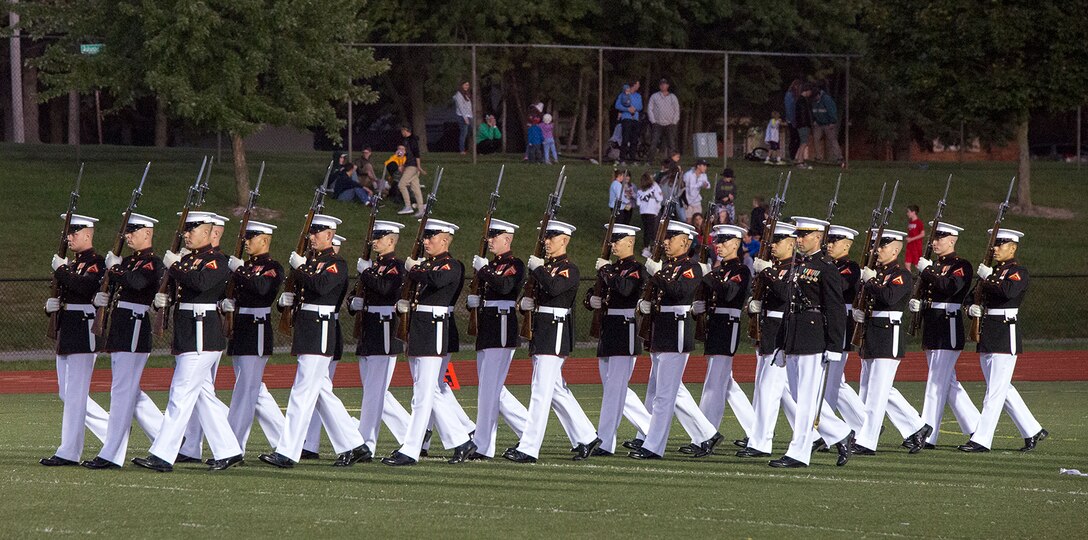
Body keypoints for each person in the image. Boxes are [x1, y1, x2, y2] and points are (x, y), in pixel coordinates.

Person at [133, 212, 243, 472]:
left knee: (180, 395)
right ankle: (229, 449)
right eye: (186, 229)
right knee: (204, 397)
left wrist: (175, 266)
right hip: (188, 334)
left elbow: (200, 282)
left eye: (192, 229)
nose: (187, 234)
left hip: (202, 335)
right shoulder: (188, 259)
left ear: (207, 232)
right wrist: (160, 299)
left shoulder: (216, 260)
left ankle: (162, 454)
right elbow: (180, 289)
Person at [258, 214, 369, 469]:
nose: (312, 237)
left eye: (316, 233)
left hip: (319, 330)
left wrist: (301, 267)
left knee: (302, 392)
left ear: (329, 235)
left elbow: (320, 286)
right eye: (310, 233)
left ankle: (287, 452)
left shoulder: (335, 263)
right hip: (308, 328)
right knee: (319, 391)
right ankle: (354, 445)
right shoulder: (313, 262)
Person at [382, 219, 477, 466]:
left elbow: (434, 281)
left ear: (444, 240)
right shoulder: (427, 266)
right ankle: (460, 439)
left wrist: (413, 269)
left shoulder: (451, 266)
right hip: (419, 329)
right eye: (424, 237)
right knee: (424, 392)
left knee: (425, 393)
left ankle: (413, 449)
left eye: (430, 237)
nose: (425, 242)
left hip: (433, 330)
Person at [505, 220, 601, 463]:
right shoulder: (545, 267)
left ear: (565, 240)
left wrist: (538, 270)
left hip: (555, 334)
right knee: (556, 390)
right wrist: (522, 304)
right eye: (545, 237)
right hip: (542, 331)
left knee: (540, 391)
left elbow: (555, 287)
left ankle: (529, 447)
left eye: (552, 237)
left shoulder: (568, 269)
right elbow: (534, 293)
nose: (547, 241)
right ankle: (587, 436)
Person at [628, 221, 722, 460]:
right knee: (667, 390)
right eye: (665, 238)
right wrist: (643, 304)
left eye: (672, 238)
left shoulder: (692, 268)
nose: (666, 242)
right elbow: (657, 293)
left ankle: (654, 445)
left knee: (664, 395)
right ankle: (707, 434)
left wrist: (657, 273)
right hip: (660, 331)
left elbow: (679, 291)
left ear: (686, 242)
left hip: (676, 332)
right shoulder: (667, 267)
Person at [81, 213, 166, 469]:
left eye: (133, 231)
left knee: (121, 392)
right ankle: (169, 438)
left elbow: (136, 282)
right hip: (121, 329)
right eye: (127, 232)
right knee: (130, 393)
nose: (128, 236)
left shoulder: (152, 263)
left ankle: (112, 454)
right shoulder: (128, 261)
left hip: (134, 329)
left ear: (147, 233)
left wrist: (114, 268)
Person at [767, 217, 853, 468]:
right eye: (798, 235)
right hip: (795, 335)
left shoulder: (826, 268)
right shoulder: (798, 265)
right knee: (799, 395)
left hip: (814, 338)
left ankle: (798, 452)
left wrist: (835, 346)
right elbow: (790, 307)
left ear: (818, 237)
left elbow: (835, 309)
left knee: (805, 399)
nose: (799, 239)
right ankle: (840, 433)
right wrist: (782, 343)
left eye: (804, 235)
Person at [959, 229, 1047, 452]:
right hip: (987, 333)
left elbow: (1007, 292)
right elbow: (969, 299)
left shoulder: (1018, 272)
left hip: (1004, 335)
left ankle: (982, 439)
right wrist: (972, 309)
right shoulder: (990, 272)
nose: (995, 248)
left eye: (1000, 244)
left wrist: (988, 277)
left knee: (995, 392)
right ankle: (1033, 430)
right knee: (1001, 388)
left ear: (1013, 247)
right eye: (994, 245)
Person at [850, 229, 930, 455]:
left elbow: (889, 297)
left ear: (895, 250)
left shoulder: (901, 275)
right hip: (870, 333)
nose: (877, 251)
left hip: (887, 335)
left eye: (882, 246)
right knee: (872, 388)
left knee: (877, 391)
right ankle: (917, 427)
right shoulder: (875, 273)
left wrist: (871, 281)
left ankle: (867, 441)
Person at [40, 214, 111, 467]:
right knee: (66, 393)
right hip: (67, 330)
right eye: (68, 233)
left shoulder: (96, 263)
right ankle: (112, 431)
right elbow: (67, 290)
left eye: (74, 232)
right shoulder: (72, 264)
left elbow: (84, 288)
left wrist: (61, 270)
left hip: (83, 330)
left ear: (88, 234)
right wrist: (51, 307)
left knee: (76, 394)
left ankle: (69, 451)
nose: (69, 237)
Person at [911, 222, 982, 448]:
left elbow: (949, 287)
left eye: (940, 237)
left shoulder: (961, 266)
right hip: (932, 325)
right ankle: (977, 427)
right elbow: (929, 290)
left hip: (947, 327)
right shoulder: (935, 265)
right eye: (934, 237)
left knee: (935, 383)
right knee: (947, 382)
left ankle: (928, 435)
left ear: (952, 240)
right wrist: (918, 303)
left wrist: (927, 270)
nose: (935, 242)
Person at [465, 219, 530, 460]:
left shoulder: (514, 264)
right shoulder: (491, 265)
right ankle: (527, 430)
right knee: (491, 389)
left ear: (508, 239)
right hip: (487, 327)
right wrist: (474, 302)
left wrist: (484, 270)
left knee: (490, 390)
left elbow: (505, 287)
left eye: (495, 236)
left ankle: (483, 446)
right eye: (489, 236)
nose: (490, 240)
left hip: (501, 328)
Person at [220, 220, 286, 458]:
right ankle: (287, 441)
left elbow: (262, 289)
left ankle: (233, 446)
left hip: (256, 331)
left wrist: (239, 270)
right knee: (252, 391)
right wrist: (224, 303)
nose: (246, 242)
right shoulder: (245, 267)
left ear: (265, 240)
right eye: (245, 238)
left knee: (245, 392)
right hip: (240, 329)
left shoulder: (272, 267)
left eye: (251, 238)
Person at [687, 224, 755, 452]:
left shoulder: (740, 271)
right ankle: (757, 430)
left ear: (736, 244)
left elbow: (729, 293)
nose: (719, 246)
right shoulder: (718, 271)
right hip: (714, 325)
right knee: (725, 384)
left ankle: (704, 435)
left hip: (727, 326)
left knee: (714, 385)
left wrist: (709, 277)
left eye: (724, 242)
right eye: (717, 242)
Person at [346, 220, 411, 456]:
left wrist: (367, 272)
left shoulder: (396, 266)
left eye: (380, 237)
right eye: (374, 237)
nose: (375, 241)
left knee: (375, 391)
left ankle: (366, 443)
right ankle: (412, 431)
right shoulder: (373, 266)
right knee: (374, 390)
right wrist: (353, 303)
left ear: (391, 241)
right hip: (368, 329)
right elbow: (357, 293)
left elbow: (385, 288)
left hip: (385, 329)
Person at [588, 223, 651, 456]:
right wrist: (591, 300)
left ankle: (605, 442)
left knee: (615, 391)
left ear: (630, 242)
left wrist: (606, 272)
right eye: (611, 241)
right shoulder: (612, 268)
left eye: (617, 240)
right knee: (615, 389)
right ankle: (652, 431)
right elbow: (599, 293)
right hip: (609, 330)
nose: (612, 244)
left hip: (624, 330)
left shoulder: (635, 268)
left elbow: (625, 289)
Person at [736, 222, 796, 459]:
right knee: (777, 390)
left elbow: (785, 293)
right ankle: (816, 434)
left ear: (791, 243)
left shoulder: (794, 267)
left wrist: (767, 272)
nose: (772, 246)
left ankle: (761, 442)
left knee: (768, 390)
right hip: (768, 330)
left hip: (782, 331)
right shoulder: (775, 267)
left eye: (777, 241)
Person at [647, 78, 680, 162]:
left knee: (671, 144)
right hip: (657, 124)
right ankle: (650, 161)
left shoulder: (673, 97)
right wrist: (653, 121)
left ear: (667, 86)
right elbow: (650, 108)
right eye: (661, 84)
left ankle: (671, 162)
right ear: (659, 86)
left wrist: (674, 121)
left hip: (670, 124)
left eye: (664, 84)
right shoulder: (654, 96)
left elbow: (677, 110)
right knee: (653, 143)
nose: (663, 86)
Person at [397, 126, 426, 218]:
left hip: (412, 166)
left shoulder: (412, 140)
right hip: (410, 165)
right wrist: (403, 164)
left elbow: (416, 153)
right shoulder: (407, 140)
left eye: (402, 130)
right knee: (416, 188)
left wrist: (418, 167)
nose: (401, 132)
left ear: (406, 130)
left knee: (401, 185)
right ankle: (421, 210)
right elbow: (407, 154)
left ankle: (408, 206)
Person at [809, 85, 842, 163]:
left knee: (832, 140)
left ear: (818, 95)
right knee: (816, 139)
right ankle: (818, 157)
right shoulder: (814, 101)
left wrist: (832, 122)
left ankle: (839, 157)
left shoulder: (827, 99)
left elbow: (832, 110)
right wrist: (815, 120)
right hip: (819, 123)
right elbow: (815, 111)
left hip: (828, 123)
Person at [635, 172, 663, 257]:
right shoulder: (653, 188)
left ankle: (647, 247)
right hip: (652, 212)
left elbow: (638, 203)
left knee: (647, 230)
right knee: (652, 231)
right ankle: (647, 248)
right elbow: (660, 198)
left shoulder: (639, 191)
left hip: (643, 212)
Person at [615, 81, 643, 164]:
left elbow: (640, 106)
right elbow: (618, 105)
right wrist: (627, 109)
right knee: (625, 138)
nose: (639, 86)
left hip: (635, 119)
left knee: (634, 139)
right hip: (626, 118)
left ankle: (632, 158)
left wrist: (634, 108)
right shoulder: (623, 95)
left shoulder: (638, 96)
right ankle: (622, 158)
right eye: (637, 84)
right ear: (633, 85)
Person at [794, 85, 815, 169]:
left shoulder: (799, 100)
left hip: (800, 124)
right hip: (803, 125)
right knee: (804, 143)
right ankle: (799, 162)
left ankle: (800, 160)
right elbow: (803, 114)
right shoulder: (802, 101)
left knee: (802, 143)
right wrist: (807, 123)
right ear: (807, 91)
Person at [784, 79, 803, 161]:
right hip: (791, 120)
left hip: (795, 119)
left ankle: (794, 155)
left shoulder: (796, 96)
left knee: (797, 138)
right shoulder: (789, 95)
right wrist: (792, 120)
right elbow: (789, 108)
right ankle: (792, 155)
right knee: (794, 138)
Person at [453, 81, 473, 155]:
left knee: (471, 132)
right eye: (465, 85)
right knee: (463, 133)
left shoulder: (466, 94)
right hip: (462, 116)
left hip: (469, 116)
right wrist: (465, 118)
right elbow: (461, 108)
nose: (466, 86)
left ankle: (470, 148)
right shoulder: (459, 95)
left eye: (468, 85)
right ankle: (462, 150)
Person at [904, 205, 924, 271]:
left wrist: (911, 239)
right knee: (907, 263)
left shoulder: (919, 223)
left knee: (917, 264)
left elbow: (922, 234)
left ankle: (922, 277)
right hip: (910, 246)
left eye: (909, 212)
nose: (907, 214)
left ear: (914, 212)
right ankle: (909, 279)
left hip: (916, 246)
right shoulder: (910, 222)